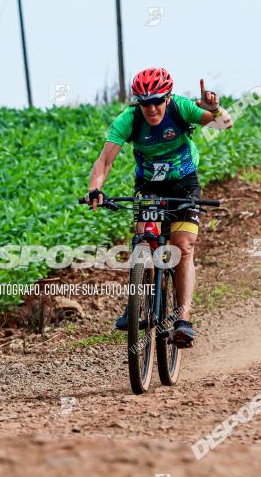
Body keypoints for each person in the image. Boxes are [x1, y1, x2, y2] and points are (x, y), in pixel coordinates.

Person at [86, 67, 234, 346]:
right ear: (137, 102)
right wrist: (95, 189)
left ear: (167, 97)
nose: (151, 108)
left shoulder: (181, 108)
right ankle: (137, 300)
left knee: (183, 248)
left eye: (157, 101)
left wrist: (215, 109)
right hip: (150, 187)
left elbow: (224, 124)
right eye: (145, 103)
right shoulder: (128, 120)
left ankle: (183, 319)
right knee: (144, 241)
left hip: (183, 185)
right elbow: (104, 161)